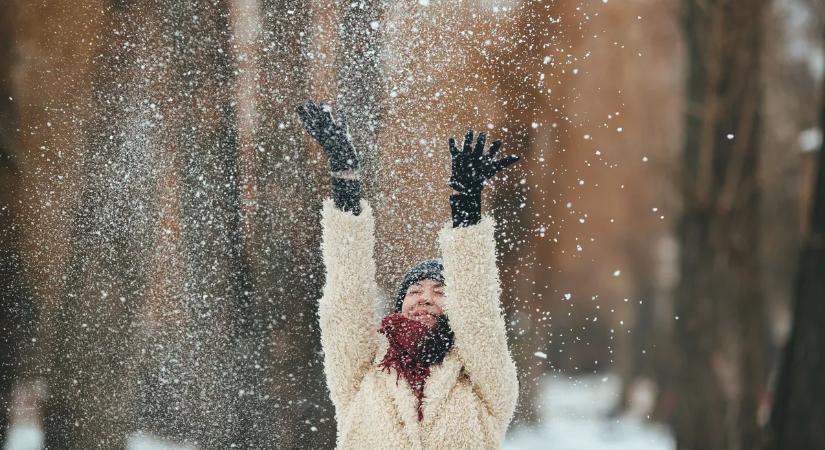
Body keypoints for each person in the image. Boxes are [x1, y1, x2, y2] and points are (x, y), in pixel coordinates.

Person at [296, 101, 520, 449]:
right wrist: (344, 180)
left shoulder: (480, 380)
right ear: (400, 304)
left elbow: (479, 311)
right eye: (415, 289)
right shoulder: (362, 372)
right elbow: (347, 294)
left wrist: (467, 213)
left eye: (440, 290)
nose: (425, 297)